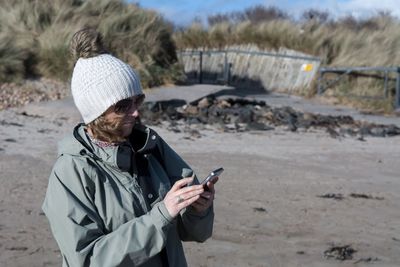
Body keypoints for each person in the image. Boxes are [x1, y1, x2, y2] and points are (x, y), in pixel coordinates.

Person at [42, 28, 218, 267]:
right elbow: (86, 260)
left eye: (138, 100)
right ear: (96, 111)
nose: (135, 112)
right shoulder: (71, 171)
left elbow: (194, 233)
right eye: (123, 105)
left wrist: (199, 209)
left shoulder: (150, 145)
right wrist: (160, 216)